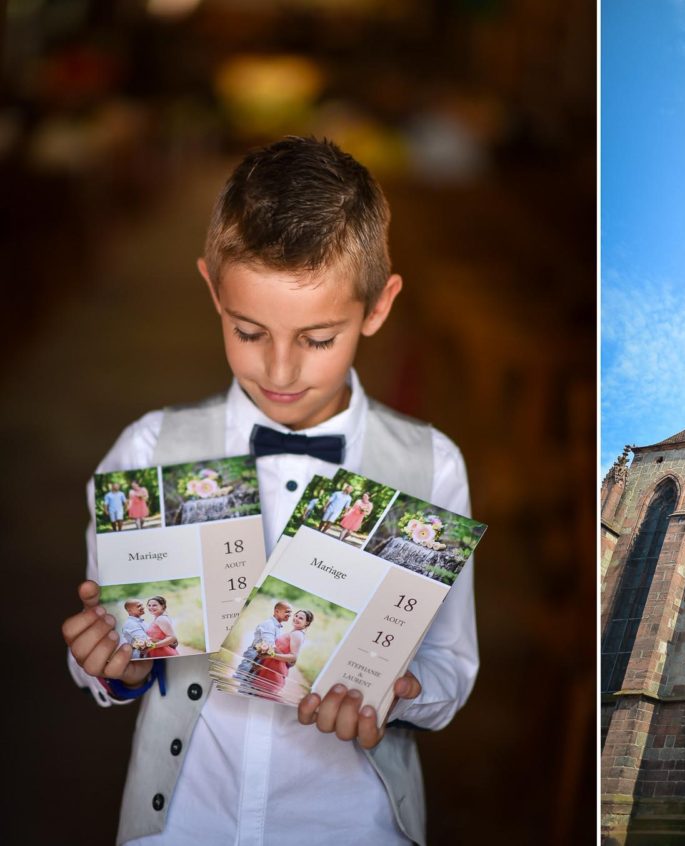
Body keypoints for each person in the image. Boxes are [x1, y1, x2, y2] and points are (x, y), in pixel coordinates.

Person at [62, 136, 479, 845]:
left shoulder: (431, 464)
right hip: (183, 822)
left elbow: (450, 664)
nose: (281, 368)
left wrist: (400, 692)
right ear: (212, 292)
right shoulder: (150, 449)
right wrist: (109, 663)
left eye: (318, 339)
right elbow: (114, 642)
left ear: (378, 307)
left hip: (352, 824)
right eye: (249, 331)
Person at [253, 609, 314, 697]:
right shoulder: (293, 633)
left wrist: (271, 655)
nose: (296, 619)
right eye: (296, 616)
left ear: (306, 623)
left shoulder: (297, 635)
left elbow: (293, 657)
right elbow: (283, 653)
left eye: (301, 618)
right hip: (270, 669)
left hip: (274, 673)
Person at [236, 600, 292, 679]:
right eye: (287, 612)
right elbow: (270, 647)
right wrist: (286, 659)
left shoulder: (278, 627)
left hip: (259, 665)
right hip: (251, 664)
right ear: (277, 611)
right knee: (240, 686)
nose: (290, 615)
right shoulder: (269, 624)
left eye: (290, 612)